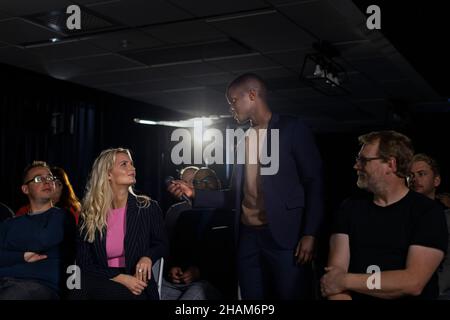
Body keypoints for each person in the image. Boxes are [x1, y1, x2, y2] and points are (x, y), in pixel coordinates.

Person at [168, 73, 324, 299]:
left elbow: (314, 182)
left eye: (233, 100)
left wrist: (310, 233)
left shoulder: (292, 128)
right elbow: (235, 196)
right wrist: (195, 193)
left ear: (252, 95)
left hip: (285, 235)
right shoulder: (241, 138)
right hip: (248, 236)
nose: (231, 107)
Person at [321, 131, 448, 300]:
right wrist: (341, 283)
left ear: (391, 164)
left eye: (364, 160)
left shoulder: (427, 212)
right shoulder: (350, 208)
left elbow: (413, 282)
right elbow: (333, 282)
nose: (356, 166)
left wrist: (346, 280)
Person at [75, 148, 168, 300]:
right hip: (102, 279)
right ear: (108, 174)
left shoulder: (147, 207)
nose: (132, 168)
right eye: (124, 164)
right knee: (75, 286)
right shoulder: (90, 213)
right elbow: (84, 262)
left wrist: (147, 257)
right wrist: (120, 278)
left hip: (137, 283)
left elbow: (162, 244)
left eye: (131, 164)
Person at [0, 161, 67, 299]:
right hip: (5, 281)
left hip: (39, 285)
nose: (47, 182)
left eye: (49, 178)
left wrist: (9, 251)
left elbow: (42, 241)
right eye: (38, 179)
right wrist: (22, 256)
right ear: (25, 189)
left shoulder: (62, 217)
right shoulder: (9, 224)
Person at [162, 167, 226, 300]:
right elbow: (175, 251)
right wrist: (173, 268)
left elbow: (230, 259)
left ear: (218, 183)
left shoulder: (231, 216)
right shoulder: (185, 216)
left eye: (208, 180)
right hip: (182, 283)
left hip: (212, 283)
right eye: (197, 183)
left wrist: (199, 272)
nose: (203, 185)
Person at [409, 153, 450, 297]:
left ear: (436, 180)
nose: (415, 179)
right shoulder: (403, 217)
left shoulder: (446, 218)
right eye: (411, 175)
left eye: (421, 174)